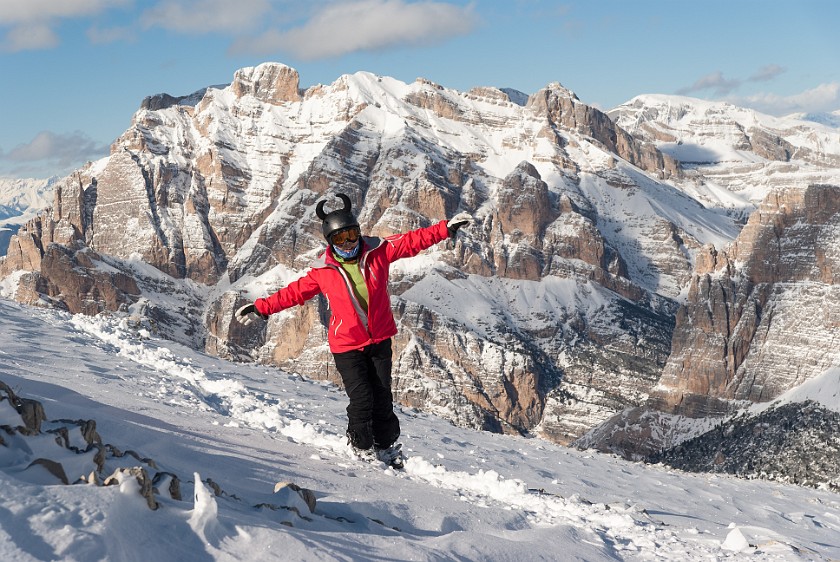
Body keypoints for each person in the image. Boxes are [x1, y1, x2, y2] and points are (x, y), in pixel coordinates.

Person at [236, 192, 471, 467]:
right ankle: (361, 447)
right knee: (362, 399)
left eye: (351, 234)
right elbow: (293, 292)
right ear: (330, 242)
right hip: (347, 346)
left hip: (380, 339)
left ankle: (386, 448)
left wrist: (446, 229)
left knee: (382, 398)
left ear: (359, 232)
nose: (348, 242)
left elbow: (410, 241)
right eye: (339, 238)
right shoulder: (322, 272)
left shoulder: (378, 251)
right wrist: (261, 308)